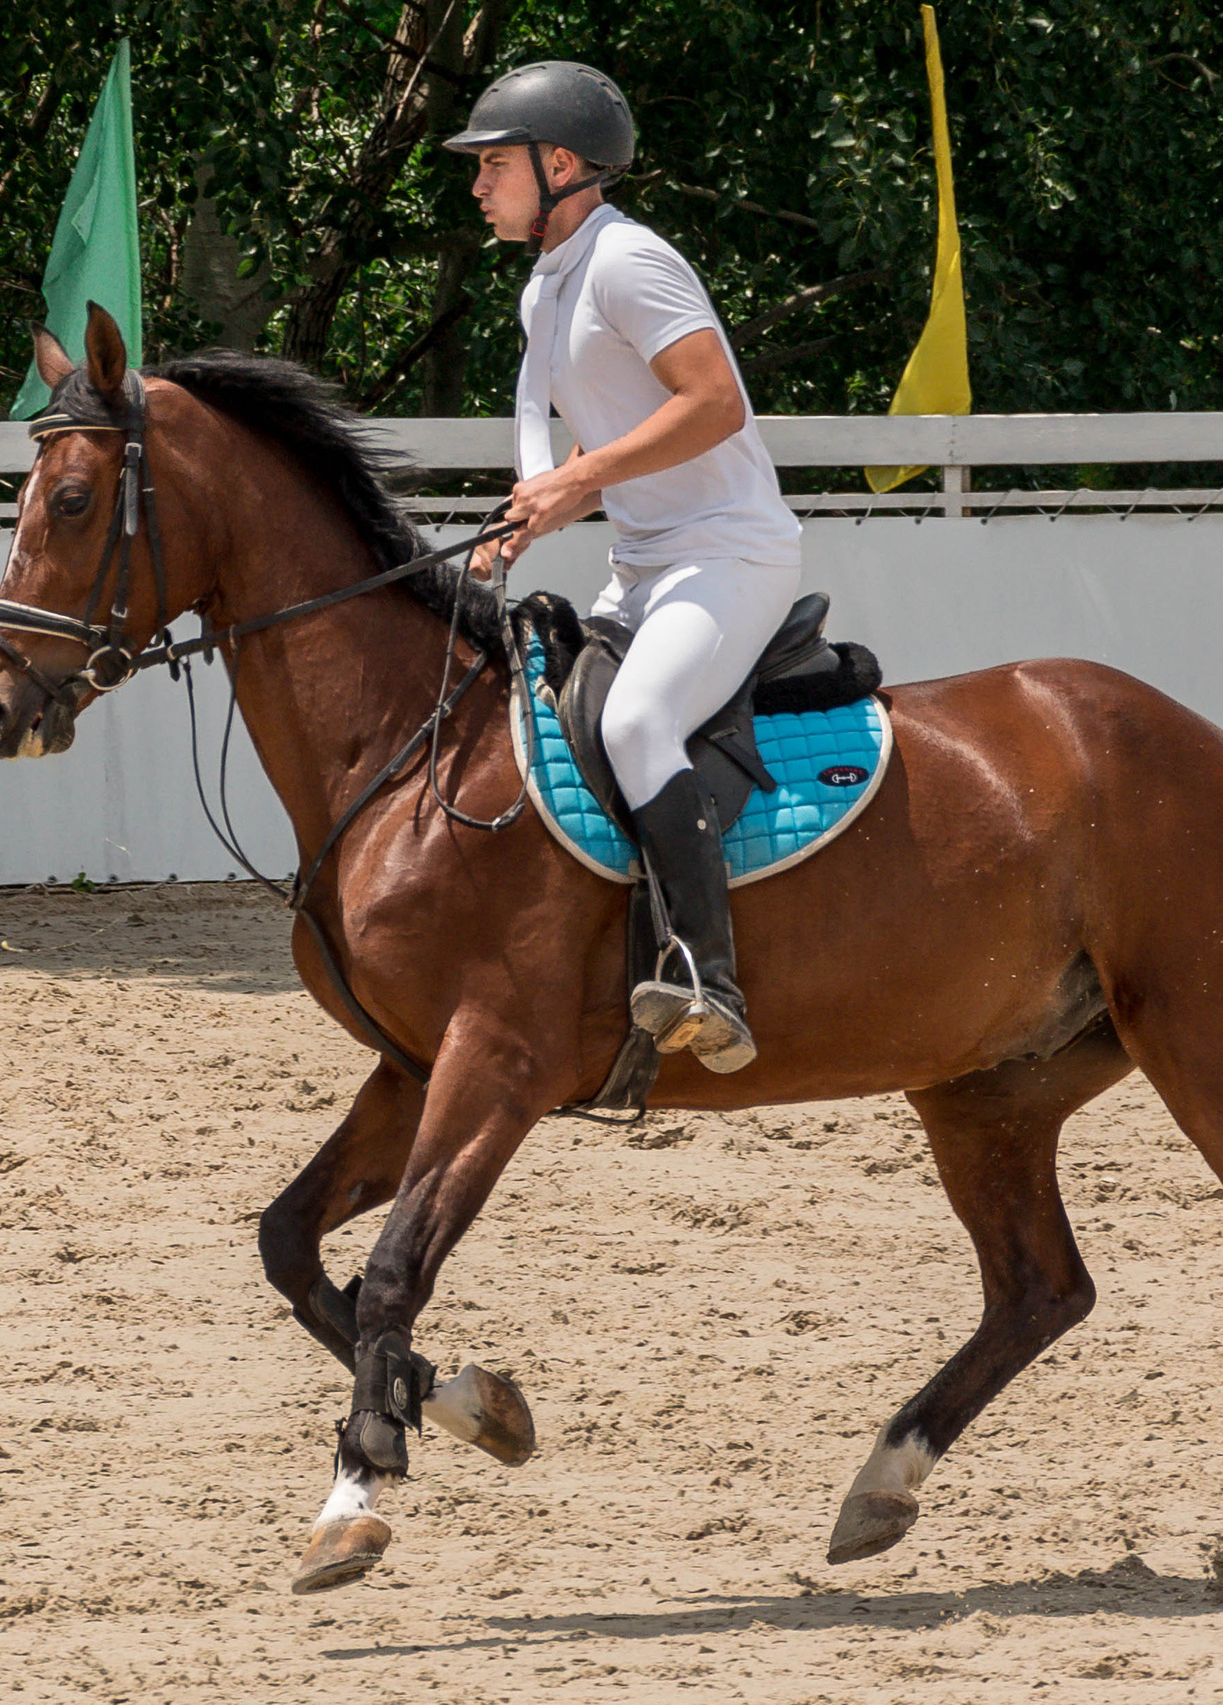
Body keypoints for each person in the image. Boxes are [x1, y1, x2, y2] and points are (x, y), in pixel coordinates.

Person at [446, 61, 801, 1075]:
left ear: (560, 165)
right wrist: (533, 514)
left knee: (637, 720)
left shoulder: (627, 262)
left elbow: (715, 406)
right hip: (643, 561)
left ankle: (708, 980)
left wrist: (577, 478)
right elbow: (617, 443)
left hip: (728, 552)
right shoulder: (547, 286)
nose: (478, 185)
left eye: (495, 165)